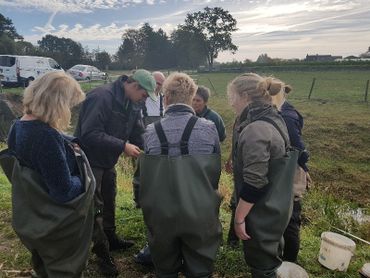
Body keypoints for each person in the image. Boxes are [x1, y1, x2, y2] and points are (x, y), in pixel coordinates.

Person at [0, 71, 95, 277]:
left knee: (44, 262)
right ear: (58, 103)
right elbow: (64, 191)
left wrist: (67, 142)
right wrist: (84, 178)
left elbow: (34, 164)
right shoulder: (46, 138)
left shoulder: (18, 125)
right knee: (62, 266)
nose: (69, 110)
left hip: (31, 213)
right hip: (54, 221)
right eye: (69, 104)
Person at [138, 72, 222, 278]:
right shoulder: (209, 129)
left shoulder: (150, 131)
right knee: (200, 268)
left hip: (160, 212)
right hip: (199, 210)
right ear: (192, 97)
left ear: (165, 98)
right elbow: (214, 174)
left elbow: (143, 177)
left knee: (165, 268)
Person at [74, 69, 156, 276]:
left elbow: (138, 131)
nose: (144, 100)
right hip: (90, 160)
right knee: (95, 206)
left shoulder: (132, 102)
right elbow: (89, 133)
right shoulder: (101, 97)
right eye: (144, 95)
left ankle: (110, 238)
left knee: (110, 198)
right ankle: (102, 255)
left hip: (108, 160)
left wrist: (156, 149)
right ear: (135, 86)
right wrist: (123, 146)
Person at [228, 73, 298, 278]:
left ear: (245, 97)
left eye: (232, 97)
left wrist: (239, 218)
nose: (231, 103)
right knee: (272, 250)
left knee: (262, 263)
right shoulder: (274, 116)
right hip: (277, 206)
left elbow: (255, 182)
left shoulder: (256, 130)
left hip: (261, 210)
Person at [270, 78, 311, 263]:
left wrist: (304, 167)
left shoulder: (285, 116)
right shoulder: (282, 110)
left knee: (291, 216)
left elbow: (298, 147)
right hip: (287, 169)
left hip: (291, 171)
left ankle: (290, 260)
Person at [134, 71, 166, 266]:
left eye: (161, 84)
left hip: (162, 150)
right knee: (141, 178)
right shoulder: (141, 100)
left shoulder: (164, 100)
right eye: (157, 83)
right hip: (144, 145)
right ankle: (140, 201)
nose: (158, 87)